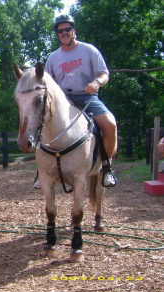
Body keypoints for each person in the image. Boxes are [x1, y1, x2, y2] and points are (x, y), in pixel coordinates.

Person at [42, 14, 117, 188]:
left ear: (74, 31)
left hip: (87, 97)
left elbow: (104, 73)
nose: (64, 32)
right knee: (40, 124)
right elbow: (47, 83)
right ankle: (42, 171)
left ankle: (106, 168)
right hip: (63, 101)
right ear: (57, 34)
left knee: (110, 124)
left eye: (67, 29)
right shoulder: (53, 58)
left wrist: (96, 82)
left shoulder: (89, 50)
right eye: (60, 30)